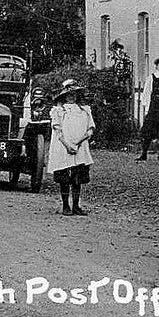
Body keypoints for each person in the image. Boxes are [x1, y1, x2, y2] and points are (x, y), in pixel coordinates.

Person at [47, 78, 96, 217]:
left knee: (77, 178)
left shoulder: (85, 110)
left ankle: (76, 205)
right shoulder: (58, 110)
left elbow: (90, 129)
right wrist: (68, 146)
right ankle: (65, 205)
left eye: (74, 93)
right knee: (64, 178)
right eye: (68, 94)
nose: (71, 96)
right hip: (64, 148)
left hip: (80, 148)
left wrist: (79, 142)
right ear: (63, 96)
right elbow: (58, 131)